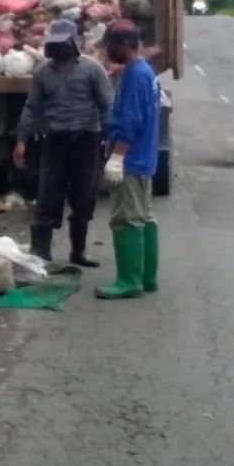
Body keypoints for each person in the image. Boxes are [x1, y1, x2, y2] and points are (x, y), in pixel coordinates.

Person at [14, 19, 112, 267]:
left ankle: (78, 252)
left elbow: (106, 106)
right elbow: (32, 108)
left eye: (63, 44)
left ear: (74, 42)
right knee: (48, 195)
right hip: (55, 142)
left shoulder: (92, 69)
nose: (59, 50)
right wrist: (21, 140)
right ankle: (41, 253)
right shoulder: (43, 73)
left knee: (84, 197)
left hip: (87, 141)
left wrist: (111, 139)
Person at [96, 19, 160, 300]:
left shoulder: (135, 76)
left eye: (110, 45)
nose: (108, 51)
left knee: (126, 220)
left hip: (131, 160)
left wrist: (117, 157)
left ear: (124, 45)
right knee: (144, 218)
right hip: (145, 157)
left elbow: (131, 120)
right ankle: (147, 277)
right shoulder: (145, 71)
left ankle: (129, 281)